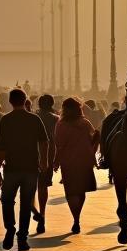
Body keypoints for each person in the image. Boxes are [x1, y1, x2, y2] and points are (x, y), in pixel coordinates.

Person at [0, 88, 48, 251]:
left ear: (10, 102)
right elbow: (44, 142)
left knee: (7, 200)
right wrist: (44, 162)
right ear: (25, 100)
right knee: (26, 204)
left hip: (11, 168)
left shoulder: (6, 120)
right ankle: (22, 238)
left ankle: (10, 228)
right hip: (31, 168)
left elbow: (1, 148)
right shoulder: (34, 119)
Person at [54, 97, 99, 233]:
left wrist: (56, 162)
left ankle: (76, 219)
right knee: (81, 191)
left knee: (71, 192)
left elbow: (59, 146)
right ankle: (77, 218)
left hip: (68, 162)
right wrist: (92, 152)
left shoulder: (61, 125)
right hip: (85, 161)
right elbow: (95, 136)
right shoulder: (84, 123)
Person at [34, 94, 59, 234]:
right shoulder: (56, 120)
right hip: (48, 157)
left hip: (31, 156)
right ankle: (42, 214)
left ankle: (33, 211)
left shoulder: (32, 117)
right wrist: (57, 160)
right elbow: (57, 141)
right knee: (43, 187)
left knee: (30, 187)